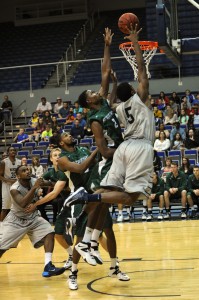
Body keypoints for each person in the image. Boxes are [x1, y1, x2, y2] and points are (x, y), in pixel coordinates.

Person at [63, 25, 155, 261]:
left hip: (123, 148)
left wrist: (106, 45)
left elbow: (106, 72)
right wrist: (135, 43)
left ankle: (89, 243)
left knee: (108, 193)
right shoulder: (133, 103)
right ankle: (86, 200)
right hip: (131, 149)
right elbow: (142, 70)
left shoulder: (113, 106)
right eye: (91, 92)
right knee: (129, 197)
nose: (95, 91)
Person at [57, 133, 129, 289]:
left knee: (109, 231)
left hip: (98, 194)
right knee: (80, 238)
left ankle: (114, 267)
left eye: (70, 134)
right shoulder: (61, 159)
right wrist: (98, 148)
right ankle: (73, 274)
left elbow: (98, 162)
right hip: (81, 197)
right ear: (61, 143)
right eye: (66, 135)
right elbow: (81, 168)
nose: (70, 136)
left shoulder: (83, 150)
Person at [0, 165, 65, 278]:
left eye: (28, 169)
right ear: (18, 175)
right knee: (2, 247)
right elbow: (23, 204)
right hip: (16, 220)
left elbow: (48, 183)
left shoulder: (34, 180)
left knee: (49, 232)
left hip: (33, 217)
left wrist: (60, 183)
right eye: (24, 171)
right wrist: (34, 188)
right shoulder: (14, 188)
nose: (27, 171)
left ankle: (48, 266)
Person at [25, 148, 73, 270]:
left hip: (76, 202)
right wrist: (36, 186)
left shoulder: (64, 171)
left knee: (74, 234)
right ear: (51, 159)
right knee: (57, 233)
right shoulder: (52, 172)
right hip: (66, 203)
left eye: (59, 155)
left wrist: (35, 204)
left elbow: (54, 193)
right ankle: (73, 255)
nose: (57, 157)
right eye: (55, 155)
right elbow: (39, 180)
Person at [0, 147, 21, 221]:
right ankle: (1, 226)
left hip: (17, 186)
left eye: (14, 150)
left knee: (18, 207)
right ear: (8, 152)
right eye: (11, 150)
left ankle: (17, 224)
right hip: (6, 186)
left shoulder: (19, 162)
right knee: (5, 208)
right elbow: (0, 176)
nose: (13, 151)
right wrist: (10, 180)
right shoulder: (4, 162)